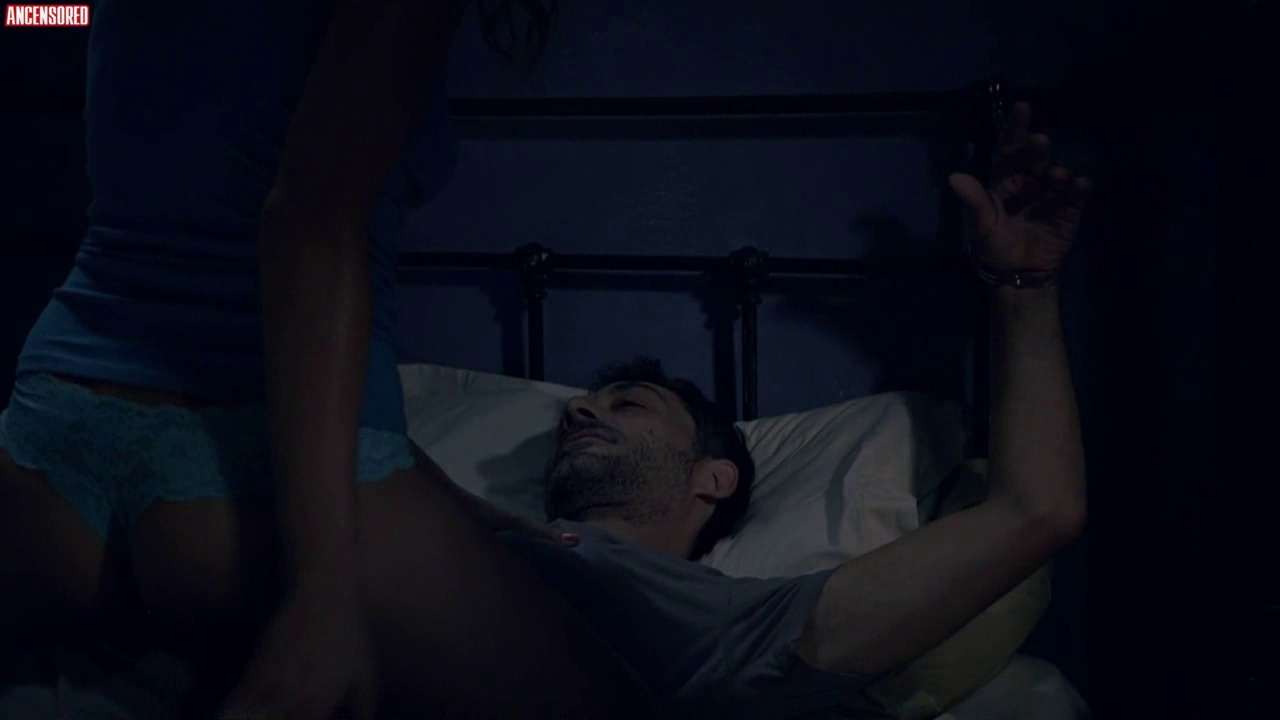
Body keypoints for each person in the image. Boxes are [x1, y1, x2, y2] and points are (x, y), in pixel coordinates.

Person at [0, 1, 655, 718]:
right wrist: (323, 598)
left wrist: (455, 506)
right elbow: (309, 223)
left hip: (48, 445)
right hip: (232, 486)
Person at [498, 101, 1091, 718]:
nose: (577, 412)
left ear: (714, 477)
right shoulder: (494, 539)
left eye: (627, 403)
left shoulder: (725, 623)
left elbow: (1036, 510)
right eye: (579, 409)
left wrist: (1025, 287)